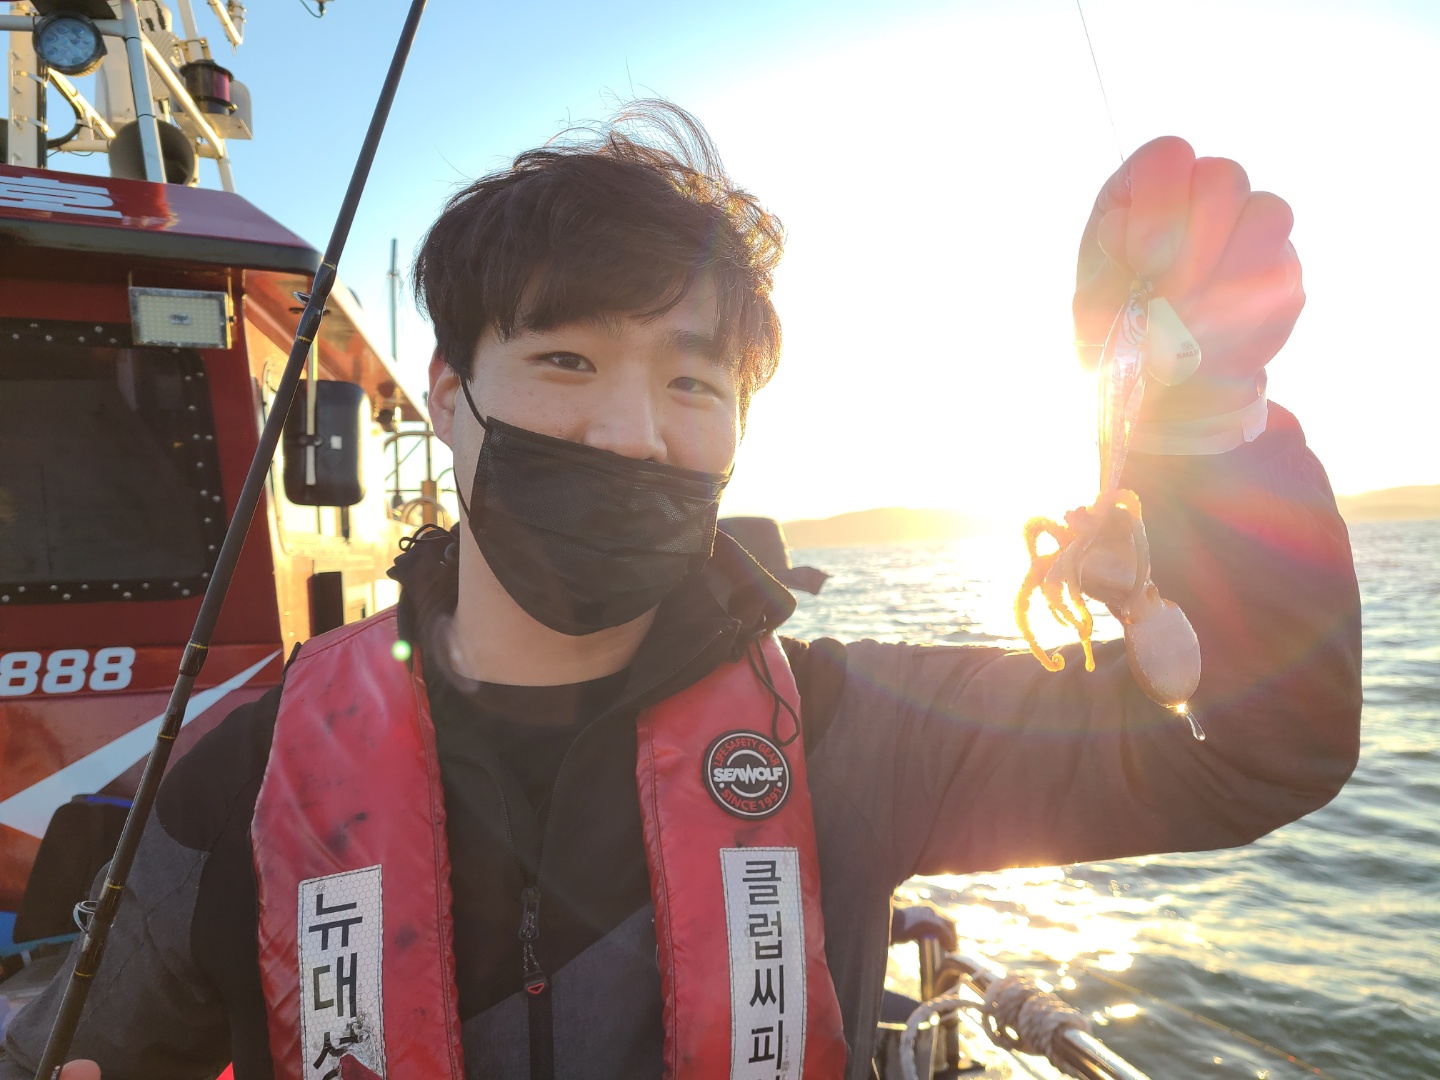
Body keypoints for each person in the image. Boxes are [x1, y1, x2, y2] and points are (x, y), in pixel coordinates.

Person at [3, 103, 1359, 1080]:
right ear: (451, 398)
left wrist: (1209, 439)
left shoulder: (860, 730)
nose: (637, 433)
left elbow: (1254, 757)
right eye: (569, 362)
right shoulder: (237, 781)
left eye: (694, 382)